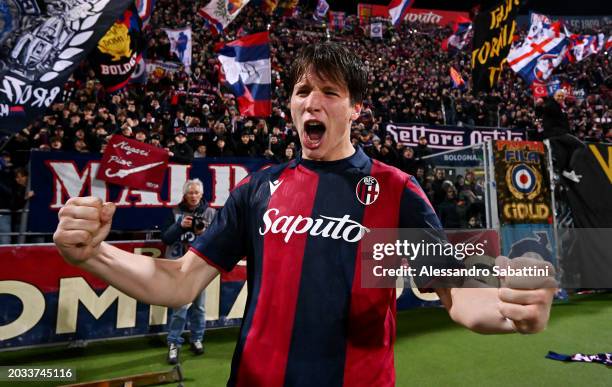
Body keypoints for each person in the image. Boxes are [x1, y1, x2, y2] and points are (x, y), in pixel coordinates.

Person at [53, 42, 555, 387]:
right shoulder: (257, 190)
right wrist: (94, 255)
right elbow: (179, 282)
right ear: (290, 106)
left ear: (355, 108)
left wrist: (513, 311)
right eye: (302, 92)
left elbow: (456, 297)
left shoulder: (394, 190)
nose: (313, 102)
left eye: (330, 93)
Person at [161, 179, 216, 364]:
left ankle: (197, 339)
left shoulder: (211, 213)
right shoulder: (175, 212)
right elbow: (166, 239)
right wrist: (179, 226)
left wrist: (205, 233)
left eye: (196, 193)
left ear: (201, 194)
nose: (193, 196)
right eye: (190, 193)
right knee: (180, 308)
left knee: (199, 306)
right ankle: (174, 343)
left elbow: (218, 239)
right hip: (178, 266)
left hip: (199, 266)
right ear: (185, 195)